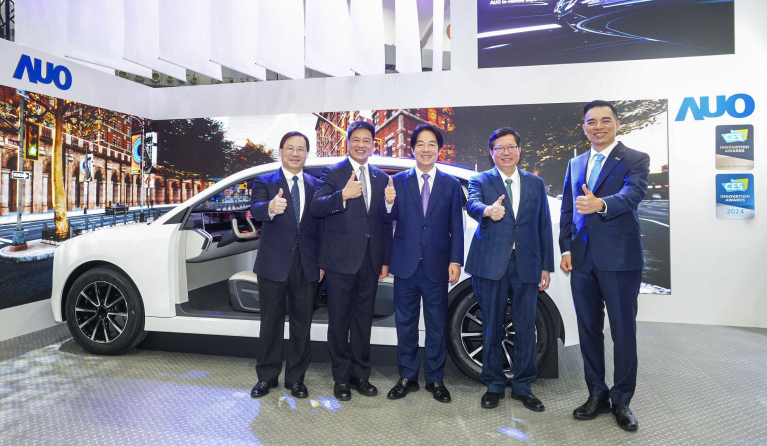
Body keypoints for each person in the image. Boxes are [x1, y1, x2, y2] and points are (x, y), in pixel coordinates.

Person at [560, 100, 649, 431]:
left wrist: (601, 204)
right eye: (591, 121)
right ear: (584, 127)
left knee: (623, 331)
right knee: (588, 330)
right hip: (582, 260)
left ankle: (622, 400)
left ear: (617, 124)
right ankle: (596, 394)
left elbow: (633, 194)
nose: (598, 126)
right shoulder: (576, 163)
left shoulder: (635, 158)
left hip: (620, 259)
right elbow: (567, 209)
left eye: (605, 120)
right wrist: (565, 248)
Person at [465, 127, 554, 410]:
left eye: (511, 147)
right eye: (500, 148)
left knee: (526, 327)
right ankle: (493, 384)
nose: (506, 152)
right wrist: (487, 211)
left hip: (527, 264)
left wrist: (546, 266)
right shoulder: (480, 180)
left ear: (519, 150)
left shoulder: (535, 183)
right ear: (491, 152)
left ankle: (523, 386)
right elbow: (472, 203)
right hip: (491, 264)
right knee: (491, 327)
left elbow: (543, 225)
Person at [310, 120, 392, 401]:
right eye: (356, 139)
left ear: (373, 145)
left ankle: (360, 376)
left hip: (370, 261)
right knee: (339, 321)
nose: (361, 145)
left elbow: (383, 223)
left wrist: (384, 259)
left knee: (363, 322)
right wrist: (342, 195)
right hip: (339, 261)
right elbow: (317, 207)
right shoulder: (333, 172)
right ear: (348, 143)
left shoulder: (381, 178)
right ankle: (341, 379)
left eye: (366, 140)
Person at [381, 124, 463, 403]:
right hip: (405, 265)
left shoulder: (450, 184)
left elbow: (457, 226)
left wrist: (455, 260)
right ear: (412, 148)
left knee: (436, 326)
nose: (426, 149)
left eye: (431, 144)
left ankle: (435, 379)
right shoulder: (397, 181)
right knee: (405, 325)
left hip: (437, 266)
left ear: (439, 150)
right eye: (420, 144)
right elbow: (386, 219)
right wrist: (388, 203)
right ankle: (407, 377)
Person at [249, 131, 324, 399]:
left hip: (307, 265)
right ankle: (266, 378)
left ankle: (296, 379)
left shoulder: (317, 185)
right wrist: (270, 207)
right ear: (280, 151)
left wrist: (322, 262)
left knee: (302, 325)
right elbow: (256, 209)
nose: (295, 153)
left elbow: (322, 227)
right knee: (270, 323)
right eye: (290, 148)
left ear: (307, 154)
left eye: (300, 149)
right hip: (273, 264)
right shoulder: (265, 181)